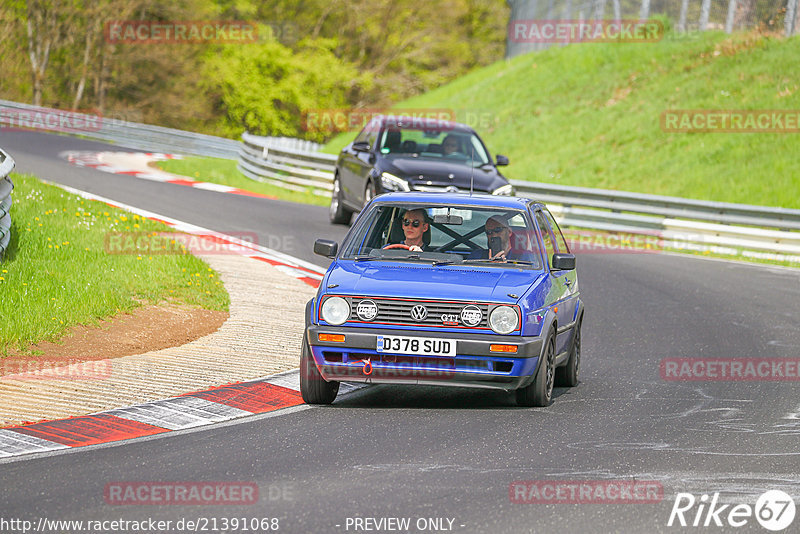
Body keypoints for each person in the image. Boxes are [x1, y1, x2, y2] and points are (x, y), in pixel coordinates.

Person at [469, 216, 535, 262]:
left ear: (509, 232)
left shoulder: (525, 256)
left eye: (498, 230)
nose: (494, 235)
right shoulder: (477, 256)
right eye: (489, 232)